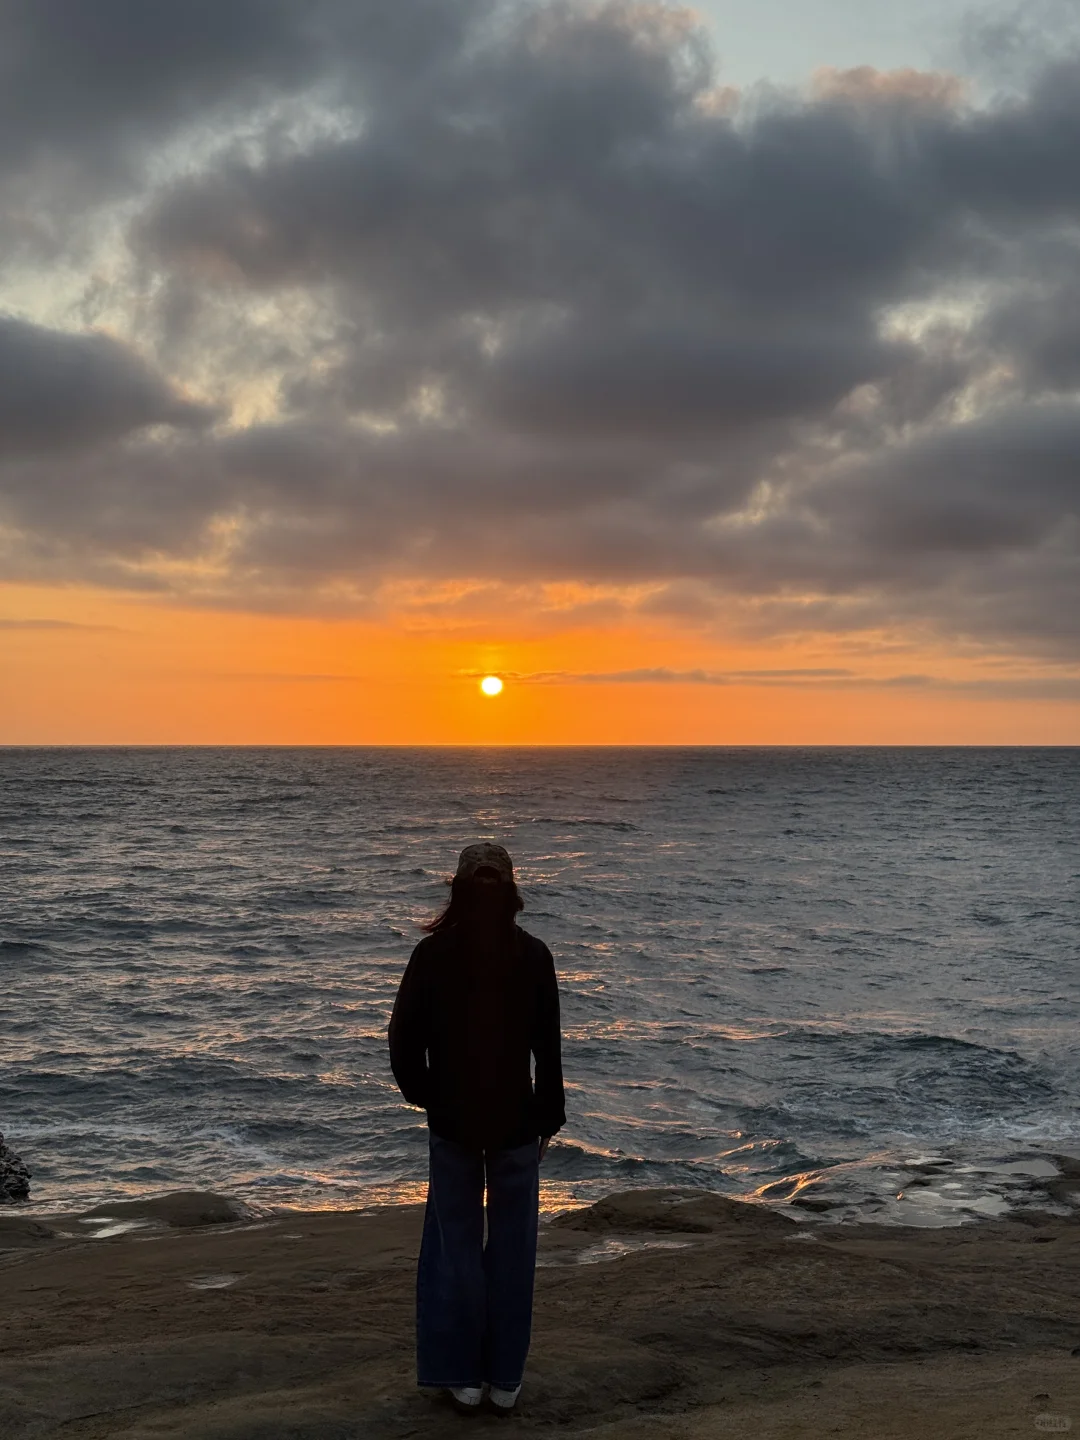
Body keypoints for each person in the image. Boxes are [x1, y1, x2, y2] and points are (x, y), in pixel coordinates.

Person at [388, 842, 566, 1416]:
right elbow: (548, 1049)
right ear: (512, 891)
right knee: (513, 1250)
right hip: (516, 1122)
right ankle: (505, 1379)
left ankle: (462, 1375)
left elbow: (403, 1040)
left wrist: (427, 1096)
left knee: (455, 1248)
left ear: (458, 890)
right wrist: (549, 1115)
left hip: (456, 1122)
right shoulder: (533, 954)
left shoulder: (432, 954)